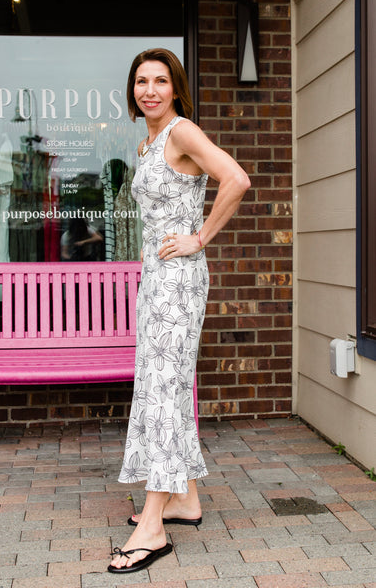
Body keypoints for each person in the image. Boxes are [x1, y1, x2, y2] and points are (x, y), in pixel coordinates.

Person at [108, 48, 250, 574]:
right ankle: (185, 499)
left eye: (159, 81)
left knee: (163, 391)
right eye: (141, 81)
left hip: (178, 279)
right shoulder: (148, 142)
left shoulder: (182, 132)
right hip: (157, 279)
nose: (149, 90)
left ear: (175, 88)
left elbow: (236, 179)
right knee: (162, 383)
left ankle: (153, 527)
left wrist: (200, 238)